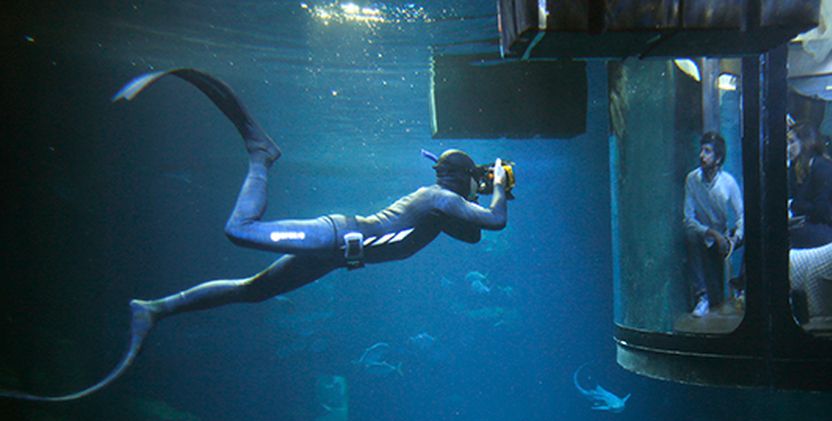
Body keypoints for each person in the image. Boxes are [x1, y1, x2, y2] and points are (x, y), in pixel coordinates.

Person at [0, 69, 511, 402]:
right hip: (336, 237)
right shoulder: (439, 197)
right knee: (238, 231)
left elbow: (473, 237)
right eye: (474, 181)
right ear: (459, 180)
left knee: (254, 291)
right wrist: (502, 187)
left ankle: (155, 308)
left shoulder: (442, 209)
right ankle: (261, 153)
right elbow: (493, 222)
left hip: (337, 255)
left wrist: (492, 186)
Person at [682, 131, 744, 317]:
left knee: (753, 233)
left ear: (718, 158)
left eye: (708, 152)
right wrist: (711, 233)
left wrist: (733, 239)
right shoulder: (692, 179)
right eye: (702, 150)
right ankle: (702, 297)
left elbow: (742, 215)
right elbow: (688, 219)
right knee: (689, 235)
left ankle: (743, 288)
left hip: (725, 237)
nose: (702, 156)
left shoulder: (728, 183)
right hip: (704, 237)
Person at [787, 123, 832, 248]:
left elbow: (820, 208)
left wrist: (793, 206)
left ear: (805, 142)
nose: (788, 148)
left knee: (790, 234)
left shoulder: (822, 166)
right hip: (816, 223)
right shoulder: (796, 171)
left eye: (792, 142)